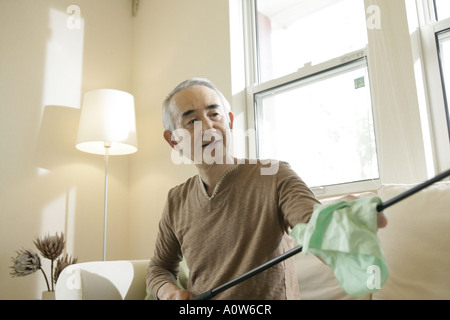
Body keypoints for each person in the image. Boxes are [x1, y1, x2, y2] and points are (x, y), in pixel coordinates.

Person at [146, 78, 387, 300]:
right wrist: (170, 292)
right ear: (174, 140)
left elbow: (312, 224)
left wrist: (338, 221)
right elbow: (158, 268)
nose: (208, 126)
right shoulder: (176, 199)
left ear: (229, 122)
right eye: (192, 121)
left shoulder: (274, 174)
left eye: (214, 114)